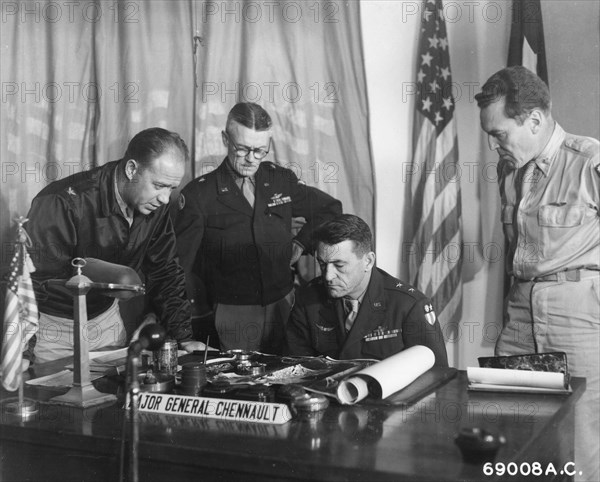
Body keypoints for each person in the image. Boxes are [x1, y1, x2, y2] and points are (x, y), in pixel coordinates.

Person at [475, 65, 599, 481]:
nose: (495, 147)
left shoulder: (589, 162)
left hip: (578, 319)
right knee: (512, 434)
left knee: (579, 443)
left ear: (534, 120)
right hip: (520, 316)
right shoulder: (510, 171)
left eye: (499, 134)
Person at [174, 102, 342, 354]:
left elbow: (329, 210)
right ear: (225, 139)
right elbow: (179, 267)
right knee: (239, 384)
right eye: (242, 149)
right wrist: (182, 325)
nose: (252, 158)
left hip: (284, 303)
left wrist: (300, 244)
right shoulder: (199, 195)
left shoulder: (280, 180)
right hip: (233, 312)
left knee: (288, 375)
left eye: (260, 150)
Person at [26, 127, 205, 363]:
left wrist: (183, 336)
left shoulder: (155, 206)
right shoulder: (60, 202)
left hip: (106, 322)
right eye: (159, 185)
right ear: (132, 169)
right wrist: (23, 349)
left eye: (171, 188)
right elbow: (32, 285)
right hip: (56, 331)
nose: (165, 198)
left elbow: (166, 271)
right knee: (56, 398)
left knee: (116, 394)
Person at [285, 214, 448, 366]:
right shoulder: (308, 299)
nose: (328, 276)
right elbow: (296, 367)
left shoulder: (408, 305)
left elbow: (435, 374)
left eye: (339, 265)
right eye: (322, 264)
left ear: (368, 261)